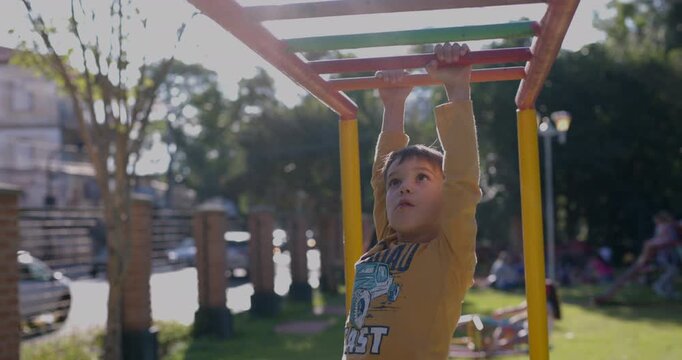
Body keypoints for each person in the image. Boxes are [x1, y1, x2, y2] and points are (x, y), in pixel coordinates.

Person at [342, 42, 481, 359]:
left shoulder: (448, 255)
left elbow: (462, 181)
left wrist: (457, 90)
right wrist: (393, 105)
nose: (404, 188)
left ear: (445, 197)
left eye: (422, 178)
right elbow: (380, 181)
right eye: (397, 182)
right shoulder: (385, 243)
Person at [595, 211, 680, 304]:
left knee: (670, 272)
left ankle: (665, 289)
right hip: (659, 258)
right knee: (670, 272)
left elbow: (666, 239)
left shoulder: (667, 227)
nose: (656, 222)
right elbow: (665, 240)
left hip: (659, 257)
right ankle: (661, 287)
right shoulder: (666, 228)